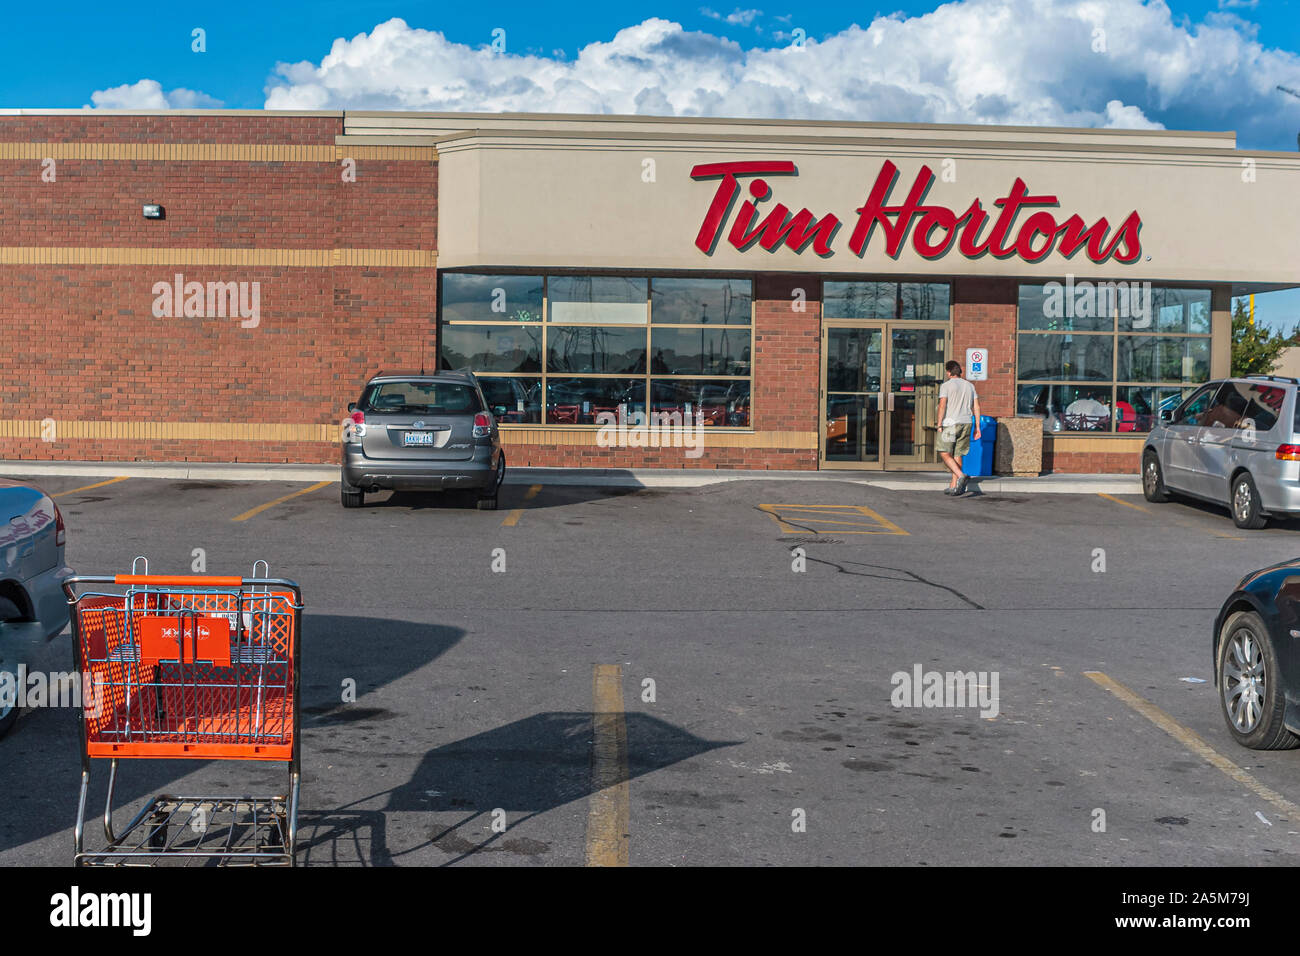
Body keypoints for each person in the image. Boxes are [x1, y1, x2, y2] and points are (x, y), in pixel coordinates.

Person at [935, 359, 981, 496]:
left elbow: (942, 405)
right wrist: (977, 427)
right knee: (957, 453)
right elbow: (976, 406)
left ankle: (961, 475)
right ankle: (954, 486)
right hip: (967, 422)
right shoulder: (970, 386)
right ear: (959, 371)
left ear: (948, 372)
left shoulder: (946, 386)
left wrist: (939, 424)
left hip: (950, 423)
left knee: (944, 452)